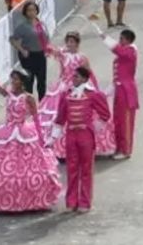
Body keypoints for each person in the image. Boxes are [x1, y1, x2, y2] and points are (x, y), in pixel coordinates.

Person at [0, 60, 61, 212]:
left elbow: (36, 119)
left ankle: (29, 201)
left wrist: (42, 140)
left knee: (29, 170)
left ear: (22, 82)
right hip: (6, 133)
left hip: (25, 134)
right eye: (12, 79)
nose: (13, 82)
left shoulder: (29, 98)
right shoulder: (8, 94)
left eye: (16, 79)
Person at [36, 30, 116, 159]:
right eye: (68, 41)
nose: (69, 44)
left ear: (77, 43)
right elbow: (53, 56)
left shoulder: (82, 57)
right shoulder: (63, 55)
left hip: (79, 85)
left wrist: (94, 88)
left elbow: (88, 73)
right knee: (58, 113)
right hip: (64, 85)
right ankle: (56, 145)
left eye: (72, 42)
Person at [51, 66, 111, 212]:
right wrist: (52, 138)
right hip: (71, 135)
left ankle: (84, 202)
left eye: (77, 77)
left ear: (84, 78)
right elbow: (60, 118)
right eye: (74, 76)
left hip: (85, 135)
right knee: (71, 168)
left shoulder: (93, 94)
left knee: (86, 169)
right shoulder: (67, 95)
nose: (74, 79)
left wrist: (92, 127)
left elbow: (105, 114)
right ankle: (71, 201)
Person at [90, 21, 140, 160]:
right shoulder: (124, 54)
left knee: (125, 122)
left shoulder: (131, 52)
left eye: (122, 39)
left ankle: (126, 150)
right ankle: (119, 147)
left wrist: (104, 37)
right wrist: (107, 91)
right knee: (118, 121)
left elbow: (117, 49)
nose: (120, 41)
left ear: (128, 40)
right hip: (119, 90)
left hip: (127, 91)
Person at [11, 1, 48, 99]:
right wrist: (22, 50)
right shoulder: (23, 27)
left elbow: (46, 38)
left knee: (42, 81)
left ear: (37, 11)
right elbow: (12, 39)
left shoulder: (41, 24)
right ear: (25, 13)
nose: (32, 12)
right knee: (28, 81)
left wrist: (47, 49)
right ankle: (29, 106)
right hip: (29, 56)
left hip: (41, 55)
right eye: (29, 10)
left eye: (34, 10)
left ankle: (42, 104)